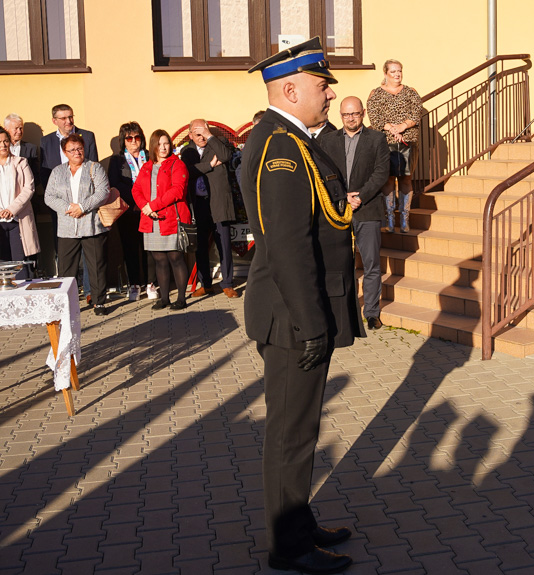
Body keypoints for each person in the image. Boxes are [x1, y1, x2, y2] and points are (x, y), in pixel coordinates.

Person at [242, 36, 364, 574]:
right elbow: (288, 245)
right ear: (289, 89)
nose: (328, 94)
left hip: (301, 313)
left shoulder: (293, 139)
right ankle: (287, 547)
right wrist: (314, 322)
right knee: (290, 434)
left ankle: (299, 521)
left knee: (302, 430)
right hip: (294, 319)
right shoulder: (280, 148)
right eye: (321, 85)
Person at [320, 96, 389, 331]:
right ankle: (343, 312)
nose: (350, 118)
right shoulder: (328, 141)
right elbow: (323, 173)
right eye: (346, 115)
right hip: (338, 210)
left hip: (368, 210)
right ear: (340, 116)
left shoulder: (377, 139)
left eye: (355, 114)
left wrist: (360, 197)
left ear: (363, 113)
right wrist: (342, 196)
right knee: (340, 264)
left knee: (371, 264)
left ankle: (371, 312)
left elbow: (381, 173)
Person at [44, 134, 111, 315]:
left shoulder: (94, 168)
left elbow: (103, 192)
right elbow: (48, 196)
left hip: (91, 224)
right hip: (67, 227)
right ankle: (67, 304)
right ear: (65, 152)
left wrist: (82, 207)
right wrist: (68, 208)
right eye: (72, 149)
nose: (77, 152)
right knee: (66, 268)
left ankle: (99, 302)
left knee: (96, 265)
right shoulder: (57, 171)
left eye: (79, 148)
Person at [132, 130, 192, 311]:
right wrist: (145, 207)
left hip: (172, 218)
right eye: (159, 144)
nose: (163, 147)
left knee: (175, 257)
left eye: (166, 143)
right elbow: (136, 190)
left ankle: (181, 299)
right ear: (153, 146)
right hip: (151, 219)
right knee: (159, 259)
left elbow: (177, 191)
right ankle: (164, 298)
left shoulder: (178, 164)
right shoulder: (147, 166)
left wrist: (153, 206)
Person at [181, 119, 239, 298]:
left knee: (224, 244)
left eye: (204, 132)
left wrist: (209, 135)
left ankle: (227, 283)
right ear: (190, 135)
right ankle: (205, 284)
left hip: (218, 201)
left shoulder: (218, 143)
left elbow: (227, 156)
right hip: (199, 204)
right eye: (197, 134)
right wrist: (210, 166)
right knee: (200, 246)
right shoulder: (187, 151)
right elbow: (187, 172)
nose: (202, 137)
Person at [366, 59, 422, 233]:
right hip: (385, 143)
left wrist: (402, 126)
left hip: (408, 141)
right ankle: (390, 218)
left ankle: (404, 219)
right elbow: (374, 117)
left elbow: (416, 113)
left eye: (399, 71)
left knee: (405, 178)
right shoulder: (375, 94)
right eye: (393, 72)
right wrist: (392, 128)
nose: (397, 74)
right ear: (385, 74)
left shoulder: (411, 92)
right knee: (388, 178)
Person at [108, 122, 149, 301]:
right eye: (129, 138)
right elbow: (115, 183)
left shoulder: (149, 156)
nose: (134, 141)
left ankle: (151, 283)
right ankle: (134, 284)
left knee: (149, 248)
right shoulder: (117, 160)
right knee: (131, 248)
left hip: (150, 209)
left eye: (137, 137)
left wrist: (147, 203)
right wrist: (135, 202)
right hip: (129, 210)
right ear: (123, 140)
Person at [0, 128, 40, 278]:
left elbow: (29, 188)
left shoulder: (21, 162)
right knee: (2, 263)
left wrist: (12, 209)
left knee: (20, 263)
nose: (3, 145)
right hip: (0, 221)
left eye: (5, 141)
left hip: (18, 219)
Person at [4, 114, 39, 189]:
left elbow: (36, 174)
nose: (19, 131)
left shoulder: (31, 148)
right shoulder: (1, 148)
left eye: (21, 128)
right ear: (6, 129)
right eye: (16, 128)